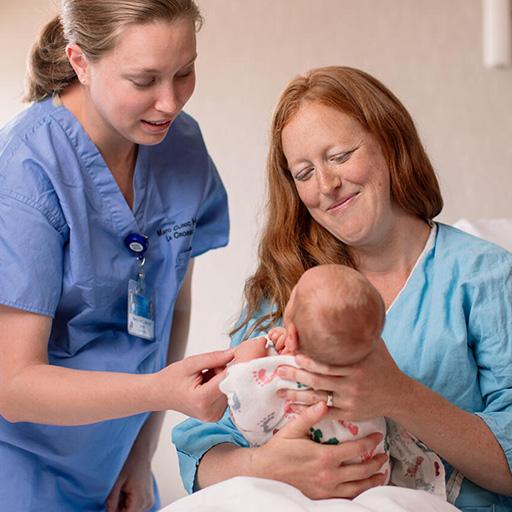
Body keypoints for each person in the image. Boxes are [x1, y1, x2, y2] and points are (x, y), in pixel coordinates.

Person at [173, 66, 512, 511]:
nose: (327, 187)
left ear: (390, 142)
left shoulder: (484, 277)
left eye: (339, 155)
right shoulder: (289, 284)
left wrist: (398, 394)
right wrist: (265, 466)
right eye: (304, 172)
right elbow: (204, 443)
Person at [0, 1, 233, 510]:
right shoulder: (24, 173)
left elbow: (172, 302)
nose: (170, 102)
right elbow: (13, 385)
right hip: (17, 469)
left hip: (115, 464)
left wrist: (140, 451)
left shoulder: (181, 145)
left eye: (185, 71)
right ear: (80, 62)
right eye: (144, 79)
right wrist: (160, 393)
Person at [221, 264, 446, 498]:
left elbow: (243, 400)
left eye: (295, 291)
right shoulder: (368, 380)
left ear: (294, 335)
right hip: (372, 484)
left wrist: (255, 350)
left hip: (301, 487)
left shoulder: (284, 374)